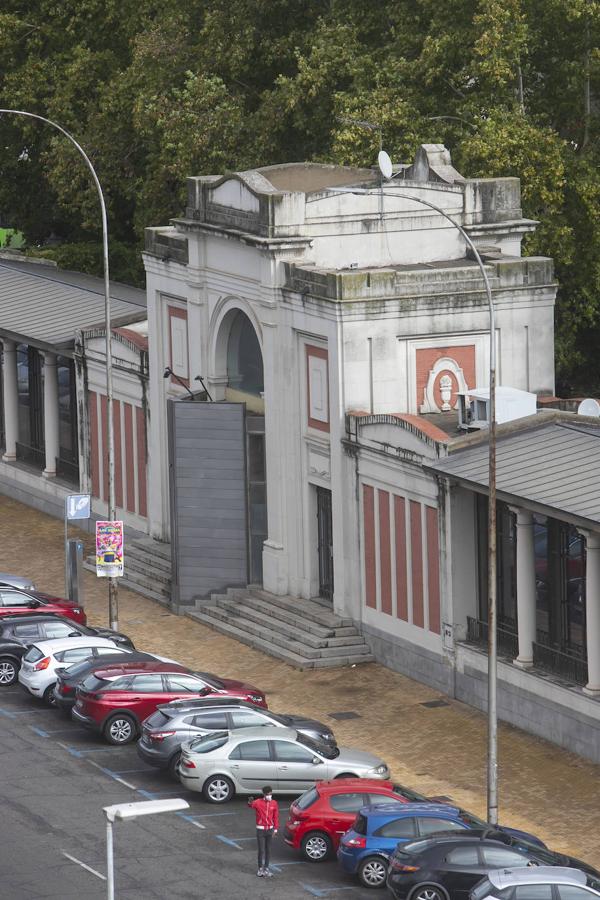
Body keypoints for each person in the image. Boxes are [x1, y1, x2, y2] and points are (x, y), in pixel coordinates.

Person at [248, 785, 279, 877]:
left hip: (270, 830)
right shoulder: (258, 802)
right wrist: (249, 801)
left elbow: (276, 817)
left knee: (268, 850)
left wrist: (276, 829)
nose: (270, 796)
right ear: (264, 794)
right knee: (261, 850)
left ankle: (266, 868)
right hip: (260, 830)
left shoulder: (274, 803)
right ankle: (260, 869)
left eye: (271, 794)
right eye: (268, 794)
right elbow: (251, 805)